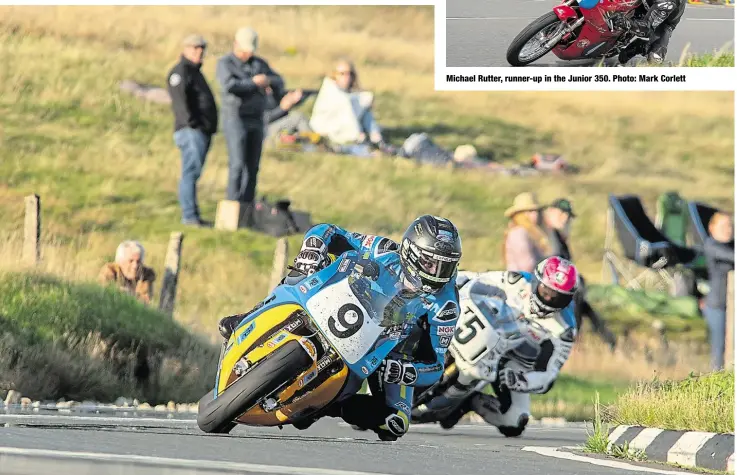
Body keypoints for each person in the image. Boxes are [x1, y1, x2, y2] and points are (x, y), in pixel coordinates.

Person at [218, 215, 463, 441]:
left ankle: (327, 406)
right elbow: (329, 231)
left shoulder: (447, 305)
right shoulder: (384, 251)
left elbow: (435, 365)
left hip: (388, 352)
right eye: (431, 264)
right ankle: (252, 314)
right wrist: (313, 249)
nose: (439, 274)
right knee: (303, 271)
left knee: (395, 423)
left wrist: (403, 371)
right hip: (340, 304)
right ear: (411, 252)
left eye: (447, 266)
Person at [412, 256, 579, 435]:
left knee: (515, 421)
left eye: (558, 298)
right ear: (537, 280)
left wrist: (522, 380)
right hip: (486, 332)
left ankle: (470, 401)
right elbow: (475, 280)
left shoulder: (565, 329)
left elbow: (549, 374)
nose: (548, 299)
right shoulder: (516, 281)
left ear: (568, 300)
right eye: (546, 291)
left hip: (513, 364)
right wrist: (453, 288)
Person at [217, 27, 284, 220]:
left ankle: (247, 211)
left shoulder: (260, 63)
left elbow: (279, 80)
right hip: (235, 118)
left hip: (257, 119)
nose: (249, 54)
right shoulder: (225, 63)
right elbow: (229, 86)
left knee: (252, 167)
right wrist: (254, 83)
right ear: (235, 44)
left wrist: (267, 80)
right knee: (237, 164)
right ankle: (231, 209)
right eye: (245, 49)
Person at [540, 199, 617, 350]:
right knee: (576, 298)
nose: (565, 219)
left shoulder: (558, 236)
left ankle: (607, 339)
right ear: (550, 211)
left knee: (582, 301)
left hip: (559, 285)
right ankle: (577, 342)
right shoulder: (548, 236)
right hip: (550, 287)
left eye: (567, 216)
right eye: (561, 214)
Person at [167, 34, 218, 227]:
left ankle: (192, 215)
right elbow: (180, 103)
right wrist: (193, 123)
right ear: (185, 49)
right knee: (190, 173)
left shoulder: (194, 72)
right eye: (195, 48)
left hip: (199, 131)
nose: (199, 52)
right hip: (191, 131)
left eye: (201, 49)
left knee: (193, 173)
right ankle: (189, 216)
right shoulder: (180, 72)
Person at [308, 58, 389, 152]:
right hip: (326, 130)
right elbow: (345, 106)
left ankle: (377, 139)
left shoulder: (346, 93)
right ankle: (372, 140)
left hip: (339, 128)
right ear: (334, 75)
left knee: (366, 112)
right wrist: (357, 135)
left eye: (349, 74)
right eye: (342, 73)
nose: (347, 77)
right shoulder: (330, 91)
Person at [702, 212, 734, 370]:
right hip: (717, 306)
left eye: (730, 226)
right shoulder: (711, 246)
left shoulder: (731, 245)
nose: (728, 230)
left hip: (732, 306)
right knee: (718, 350)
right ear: (711, 228)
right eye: (723, 226)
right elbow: (731, 257)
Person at [619, 0, 686, 65]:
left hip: (664, 22)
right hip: (645, 4)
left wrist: (625, 22)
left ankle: (640, 47)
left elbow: (645, 30)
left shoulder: (667, 3)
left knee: (655, 58)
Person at [502, 193, 552, 273]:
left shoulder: (529, 233)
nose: (535, 214)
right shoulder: (518, 233)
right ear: (520, 214)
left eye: (536, 211)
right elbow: (527, 265)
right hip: (523, 282)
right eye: (530, 211)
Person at [98, 240, 157, 305]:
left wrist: (125, 293)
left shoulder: (146, 274)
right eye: (131, 261)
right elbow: (104, 294)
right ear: (119, 261)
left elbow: (144, 302)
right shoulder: (110, 270)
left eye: (138, 261)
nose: (135, 266)